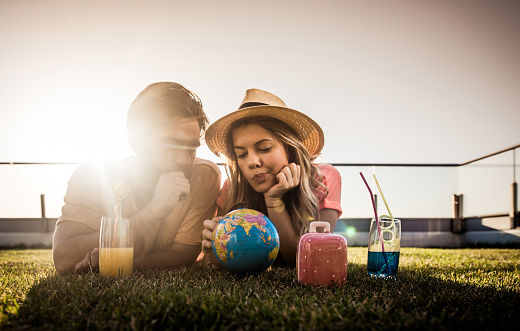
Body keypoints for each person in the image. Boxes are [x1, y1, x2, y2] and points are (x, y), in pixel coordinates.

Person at [53, 82, 221, 273]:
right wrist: (153, 211)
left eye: (192, 148)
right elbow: (63, 259)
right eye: (170, 146)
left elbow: (184, 253)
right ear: (136, 141)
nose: (184, 160)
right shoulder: (92, 177)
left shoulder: (204, 176)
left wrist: (123, 264)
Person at [201, 89, 342, 269]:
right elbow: (210, 266)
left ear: (289, 149)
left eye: (264, 148)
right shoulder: (232, 188)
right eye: (242, 154)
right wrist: (214, 255)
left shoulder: (322, 179)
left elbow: (305, 261)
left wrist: (273, 200)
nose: (252, 162)